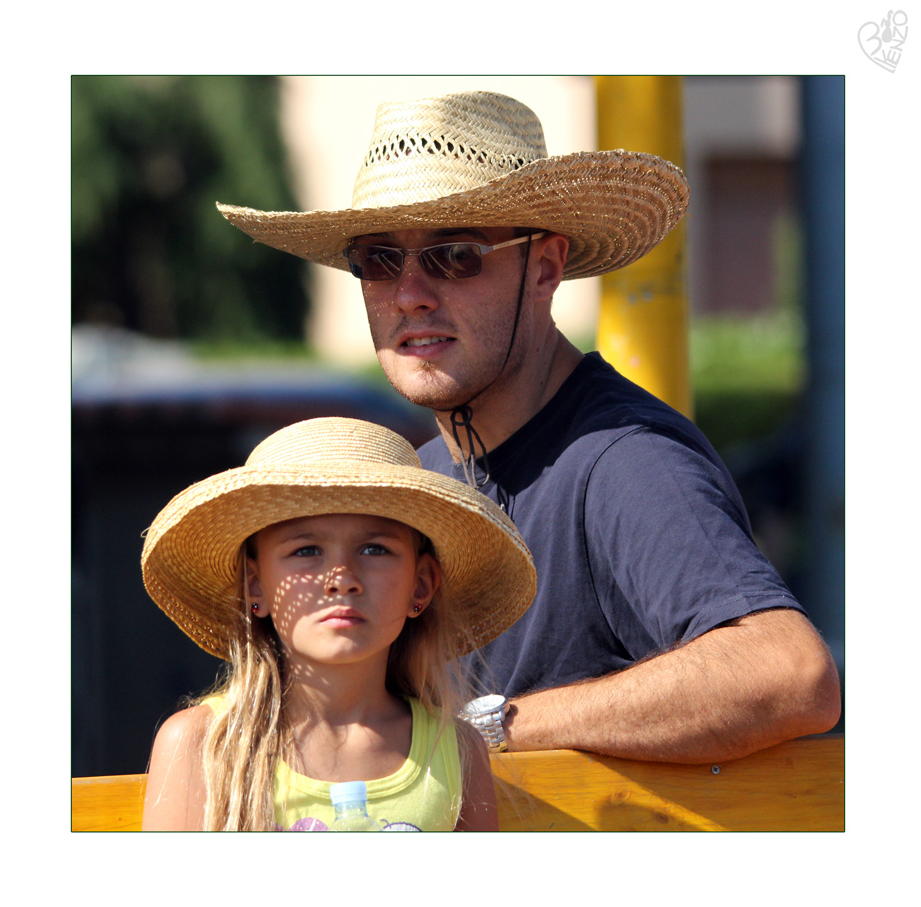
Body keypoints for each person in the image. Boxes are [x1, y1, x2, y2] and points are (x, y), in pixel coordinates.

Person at [216, 89, 841, 765]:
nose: (410, 293)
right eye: (379, 260)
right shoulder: (421, 479)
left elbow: (791, 673)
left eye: (454, 254)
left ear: (543, 267)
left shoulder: (622, 461)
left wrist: (490, 727)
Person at [140, 416, 536, 830]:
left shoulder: (456, 750)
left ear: (421, 585)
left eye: (374, 549)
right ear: (254, 586)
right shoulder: (204, 744)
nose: (342, 579)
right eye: (307, 550)